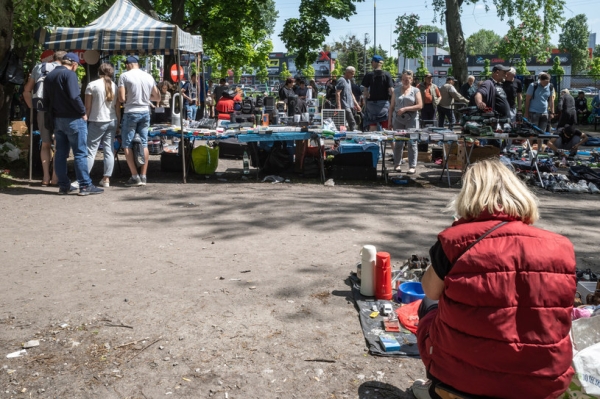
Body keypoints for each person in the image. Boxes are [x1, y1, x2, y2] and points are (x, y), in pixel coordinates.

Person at [410, 158, 576, 399]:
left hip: (464, 378)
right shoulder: (561, 246)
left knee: (428, 305)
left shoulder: (455, 239)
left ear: (468, 196)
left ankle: (441, 386)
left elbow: (429, 290)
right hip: (544, 382)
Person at [43, 53, 103, 196]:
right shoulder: (69, 75)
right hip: (74, 119)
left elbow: (46, 100)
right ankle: (85, 185)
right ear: (74, 64)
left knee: (60, 153)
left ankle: (63, 186)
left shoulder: (49, 76)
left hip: (57, 119)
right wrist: (83, 112)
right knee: (80, 154)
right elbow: (74, 96)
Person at [22, 50, 66, 186]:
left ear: (53, 58)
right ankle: (55, 177)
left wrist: (33, 108)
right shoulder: (66, 69)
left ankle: (45, 177)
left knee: (45, 144)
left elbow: (27, 90)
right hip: (60, 111)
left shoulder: (39, 67)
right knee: (59, 144)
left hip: (42, 110)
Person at [117, 55, 160, 187]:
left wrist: (130, 96)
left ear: (127, 65)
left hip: (131, 112)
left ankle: (134, 176)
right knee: (144, 143)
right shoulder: (148, 76)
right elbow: (157, 96)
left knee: (127, 144)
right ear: (138, 64)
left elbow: (121, 98)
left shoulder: (124, 76)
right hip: (145, 111)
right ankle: (144, 175)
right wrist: (146, 97)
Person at [84, 63, 118, 188]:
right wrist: (118, 122)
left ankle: (84, 178)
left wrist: (84, 119)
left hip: (96, 120)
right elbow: (117, 108)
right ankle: (106, 179)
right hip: (112, 120)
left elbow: (87, 107)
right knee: (109, 150)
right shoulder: (115, 86)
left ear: (98, 72)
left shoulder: (92, 85)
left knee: (90, 151)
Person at [388, 70, 422, 174]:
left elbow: (420, 105)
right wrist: (390, 121)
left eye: (407, 79)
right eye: (403, 79)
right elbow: (392, 107)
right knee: (398, 142)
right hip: (398, 120)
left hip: (411, 120)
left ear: (411, 80)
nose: (405, 81)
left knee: (412, 143)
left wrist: (406, 108)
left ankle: (412, 166)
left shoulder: (415, 91)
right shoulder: (396, 91)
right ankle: (397, 164)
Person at [361, 55, 394, 131]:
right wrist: (393, 104)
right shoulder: (387, 75)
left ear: (375, 62)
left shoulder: (369, 74)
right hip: (384, 104)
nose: (371, 64)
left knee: (372, 128)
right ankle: (391, 143)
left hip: (372, 105)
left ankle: (373, 142)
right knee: (387, 128)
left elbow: (365, 92)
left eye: (372, 62)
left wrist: (366, 104)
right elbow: (391, 90)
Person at [335, 66, 361, 131]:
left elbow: (351, 93)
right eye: (352, 73)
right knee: (352, 122)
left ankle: (343, 137)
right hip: (344, 105)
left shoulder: (349, 81)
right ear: (347, 72)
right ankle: (354, 135)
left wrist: (357, 105)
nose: (353, 75)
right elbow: (337, 93)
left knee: (344, 123)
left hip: (349, 105)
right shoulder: (341, 80)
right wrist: (339, 107)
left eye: (354, 73)